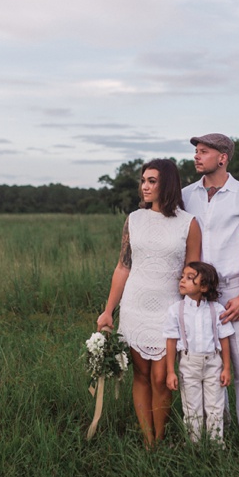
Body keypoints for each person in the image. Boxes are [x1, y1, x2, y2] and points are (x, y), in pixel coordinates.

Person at [96, 158, 202, 447]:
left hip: (169, 311)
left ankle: (163, 434)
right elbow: (123, 266)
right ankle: (149, 442)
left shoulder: (188, 223)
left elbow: (193, 273)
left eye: (152, 181)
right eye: (143, 180)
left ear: (167, 184)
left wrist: (192, 314)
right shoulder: (134, 219)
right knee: (141, 375)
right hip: (135, 306)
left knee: (161, 378)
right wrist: (108, 311)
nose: (144, 186)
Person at [181, 133, 239, 456]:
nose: (196, 156)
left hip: (234, 289)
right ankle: (214, 435)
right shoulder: (186, 195)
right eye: (195, 151)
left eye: (203, 151)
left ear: (223, 158)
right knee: (204, 363)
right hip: (196, 294)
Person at [163, 261, 233, 444]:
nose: (183, 281)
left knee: (215, 407)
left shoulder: (216, 310)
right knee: (191, 408)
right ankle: (194, 445)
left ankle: (216, 445)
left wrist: (226, 367)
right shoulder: (176, 311)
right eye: (183, 276)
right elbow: (171, 341)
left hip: (214, 364)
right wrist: (170, 371)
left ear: (204, 286)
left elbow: (224, 340)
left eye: (190, 278)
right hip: (188, 364)